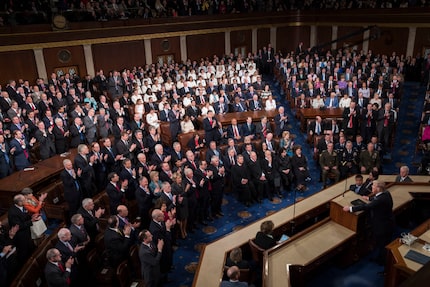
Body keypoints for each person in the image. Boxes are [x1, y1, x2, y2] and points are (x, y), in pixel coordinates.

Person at [343, 181, 394, 265]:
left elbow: (367, 206)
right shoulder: (386, 193)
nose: (371, 188)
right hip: (387, 222)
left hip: (383, 226)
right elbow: (376, 199)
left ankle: (383, 262)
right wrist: (369, 198)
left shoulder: (381, 199)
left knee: (383, 245)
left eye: (373, 186)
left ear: (378, 188)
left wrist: (351, 208)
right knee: (382, 244)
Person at [8, 194, 38, 265]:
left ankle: (33, 262)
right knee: (24, 253)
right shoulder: (13, 212)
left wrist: (32, 217)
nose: (26, 201)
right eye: (24, 200)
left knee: (30, 248)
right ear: (19, 203)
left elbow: (25, 217)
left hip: (27, 233)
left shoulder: (22, 207)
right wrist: (31, 221)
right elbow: (19, 226)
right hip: (20, 236)